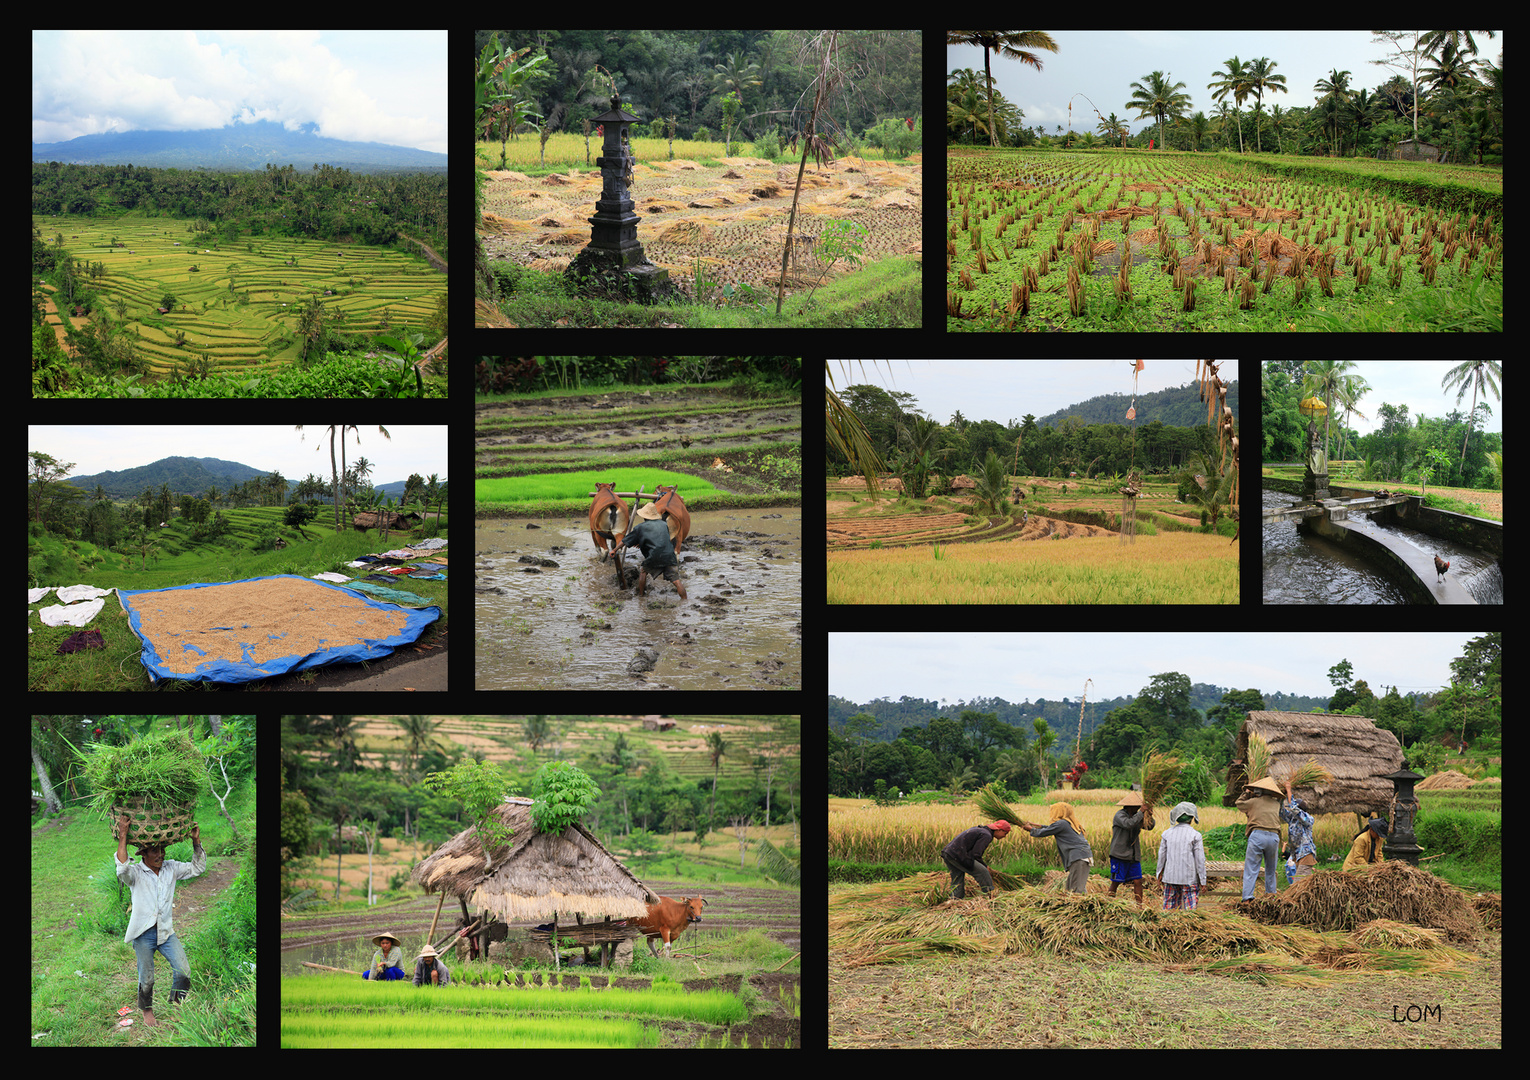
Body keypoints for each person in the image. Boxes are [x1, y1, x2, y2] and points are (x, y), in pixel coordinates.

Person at [115, 813, 206, 1027]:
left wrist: (196, 841)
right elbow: (122, 869)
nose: (161, 855)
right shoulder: (135, 873)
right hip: (143, 933)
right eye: (155, 850)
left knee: (183, 971)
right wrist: (123, 835)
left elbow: (198, 868)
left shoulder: (171, 868)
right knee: (146, 977)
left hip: (166, 932)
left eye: (162, 850)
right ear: (143, 854)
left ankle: (176, 1005)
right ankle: (147, 1011)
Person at [940, 819, 1010, 899]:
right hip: (957, 855)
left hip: (948, 853)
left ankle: (955, 900)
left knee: (957, 878)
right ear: (999, 830)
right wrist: (985, 866)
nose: (1005, 836)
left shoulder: (980, 830)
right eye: (1005, 833)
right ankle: (991, 897)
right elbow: (976, 854)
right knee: (983, 872)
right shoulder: (987, 835)